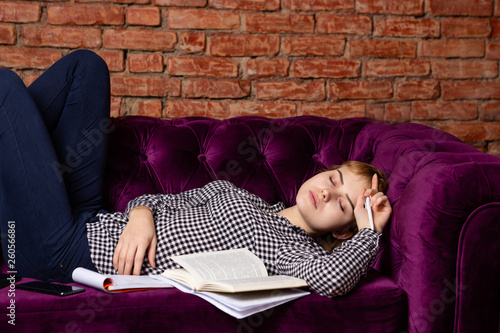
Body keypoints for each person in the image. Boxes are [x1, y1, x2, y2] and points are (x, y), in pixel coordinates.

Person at [0, 50, 392, 298]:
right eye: (334, 180)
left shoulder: (294, 253)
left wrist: (369, 230)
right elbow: (161, 200)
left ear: (344, 229)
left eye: (342, 205)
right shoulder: (245, 197)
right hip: (91, 216)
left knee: (3, 88)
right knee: (86, 68)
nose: (326, 193)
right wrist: (140, 216)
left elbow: (332, 280)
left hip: (67, 251)